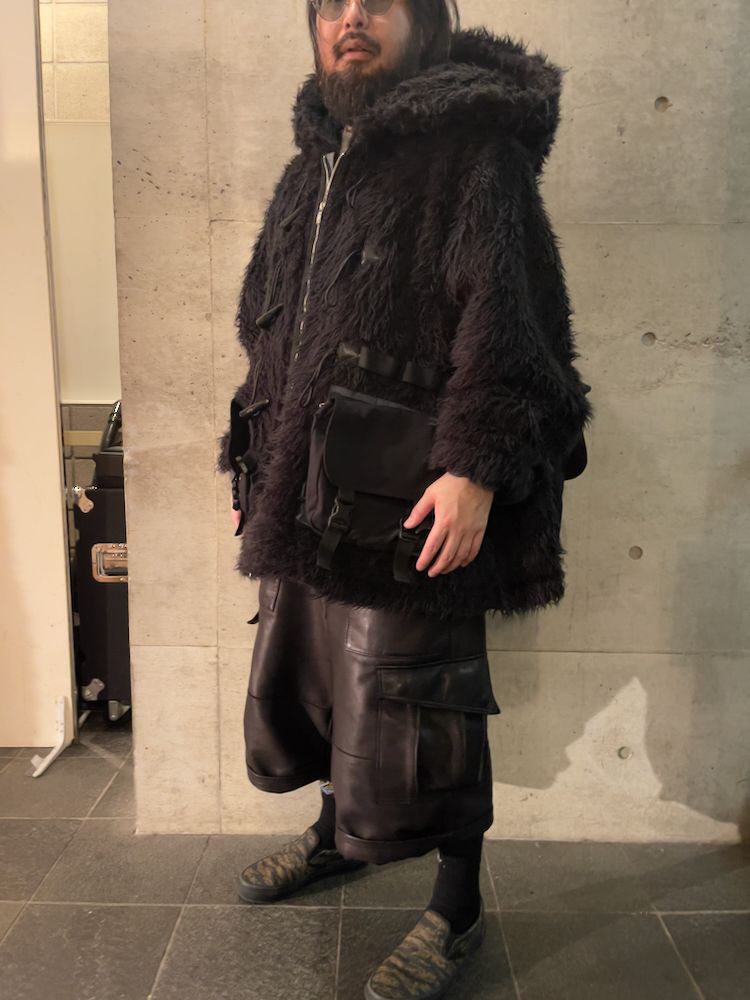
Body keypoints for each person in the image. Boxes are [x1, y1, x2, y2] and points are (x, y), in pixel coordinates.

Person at [216, 2, 594, 997]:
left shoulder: (475, 154)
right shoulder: (312, 164)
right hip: (308, 489)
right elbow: (268, 333)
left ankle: (456, 910)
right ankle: (335, 837)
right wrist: (250, 464)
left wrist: (475, 471)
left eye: (374, 2)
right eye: (330, 5)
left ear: (421, 20)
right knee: (322, 678)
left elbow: (518, 334)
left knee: (427, 706)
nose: (349, 19)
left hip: (416, 497)